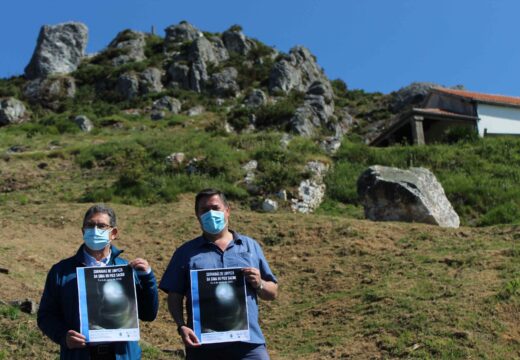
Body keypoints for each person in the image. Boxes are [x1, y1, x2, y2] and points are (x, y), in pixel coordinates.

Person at [160, 188, 278, 360]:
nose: (210, 213)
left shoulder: (250, 246)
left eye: (215, 208)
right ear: (197, 215)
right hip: (203, 346)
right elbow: (174, 296)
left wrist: (260, 283)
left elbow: (272, 292)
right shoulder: (185, 253)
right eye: (204, 210)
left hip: (249, 345)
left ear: (227, 211)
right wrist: (181, 326)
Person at [37, 204, 159, 360]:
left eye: (101, 226)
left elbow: (149, 314)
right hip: (79, 355)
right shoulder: (61, 271)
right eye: (90, 225)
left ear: (113, 233)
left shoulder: (126, 270)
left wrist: (147, 277)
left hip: (123, 355)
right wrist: (63, 336)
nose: (94, 230)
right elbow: (46, 316)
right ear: (83, 231)